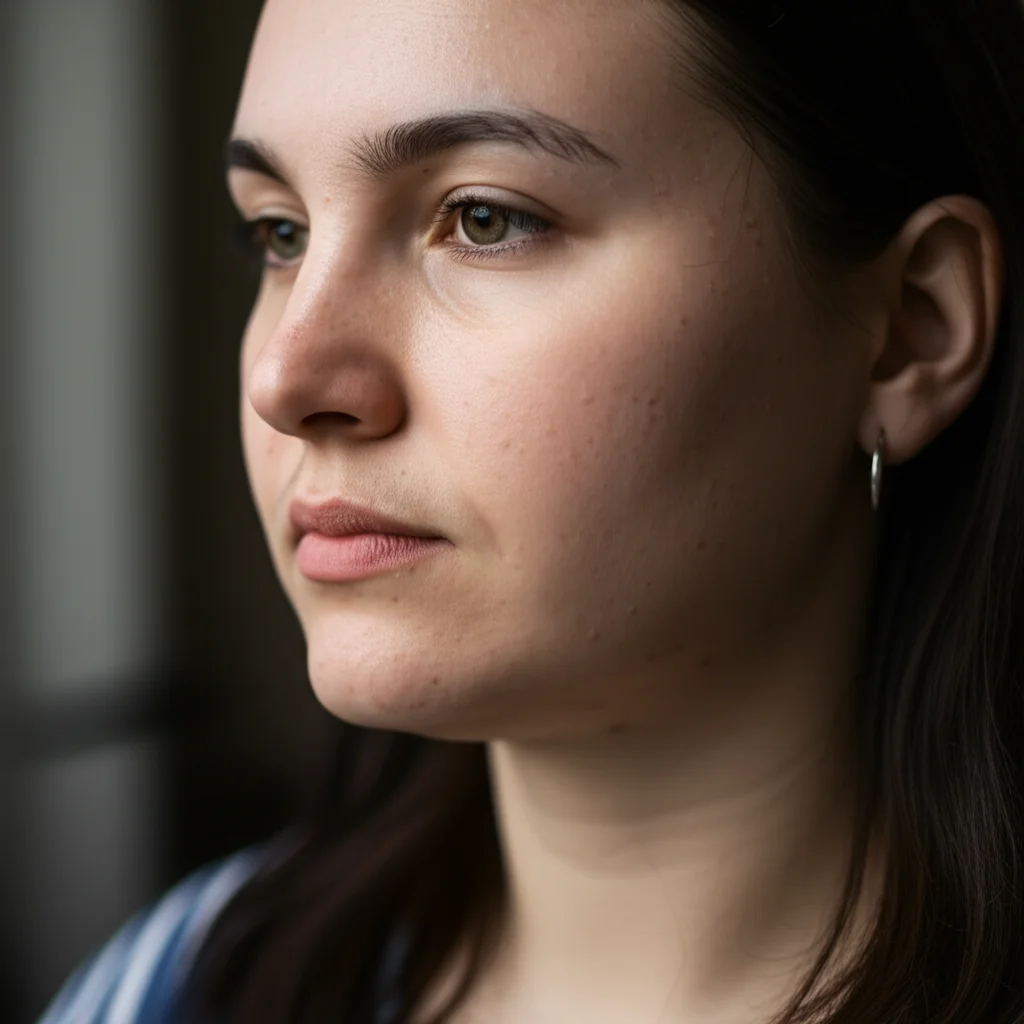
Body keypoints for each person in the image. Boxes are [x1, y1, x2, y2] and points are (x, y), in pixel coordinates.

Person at [37, 0, 1024, 1021]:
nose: (287, 379)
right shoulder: (165, 988)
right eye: (279, 233)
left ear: (911, 327)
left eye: (483, 218)